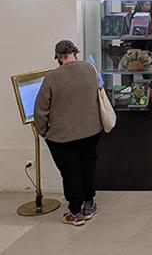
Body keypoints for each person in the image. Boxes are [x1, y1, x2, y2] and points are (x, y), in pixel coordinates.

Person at [33, 40, 103, 226]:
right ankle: (89, 204)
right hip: (92, 130)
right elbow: (99, 93)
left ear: (58, 56)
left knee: (70, 171)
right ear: (75, 53)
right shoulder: (90, 69)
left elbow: (40, 110)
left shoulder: (52, 77)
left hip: (62, 136)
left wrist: (44, 132)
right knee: (88, 165)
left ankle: (75, 212)